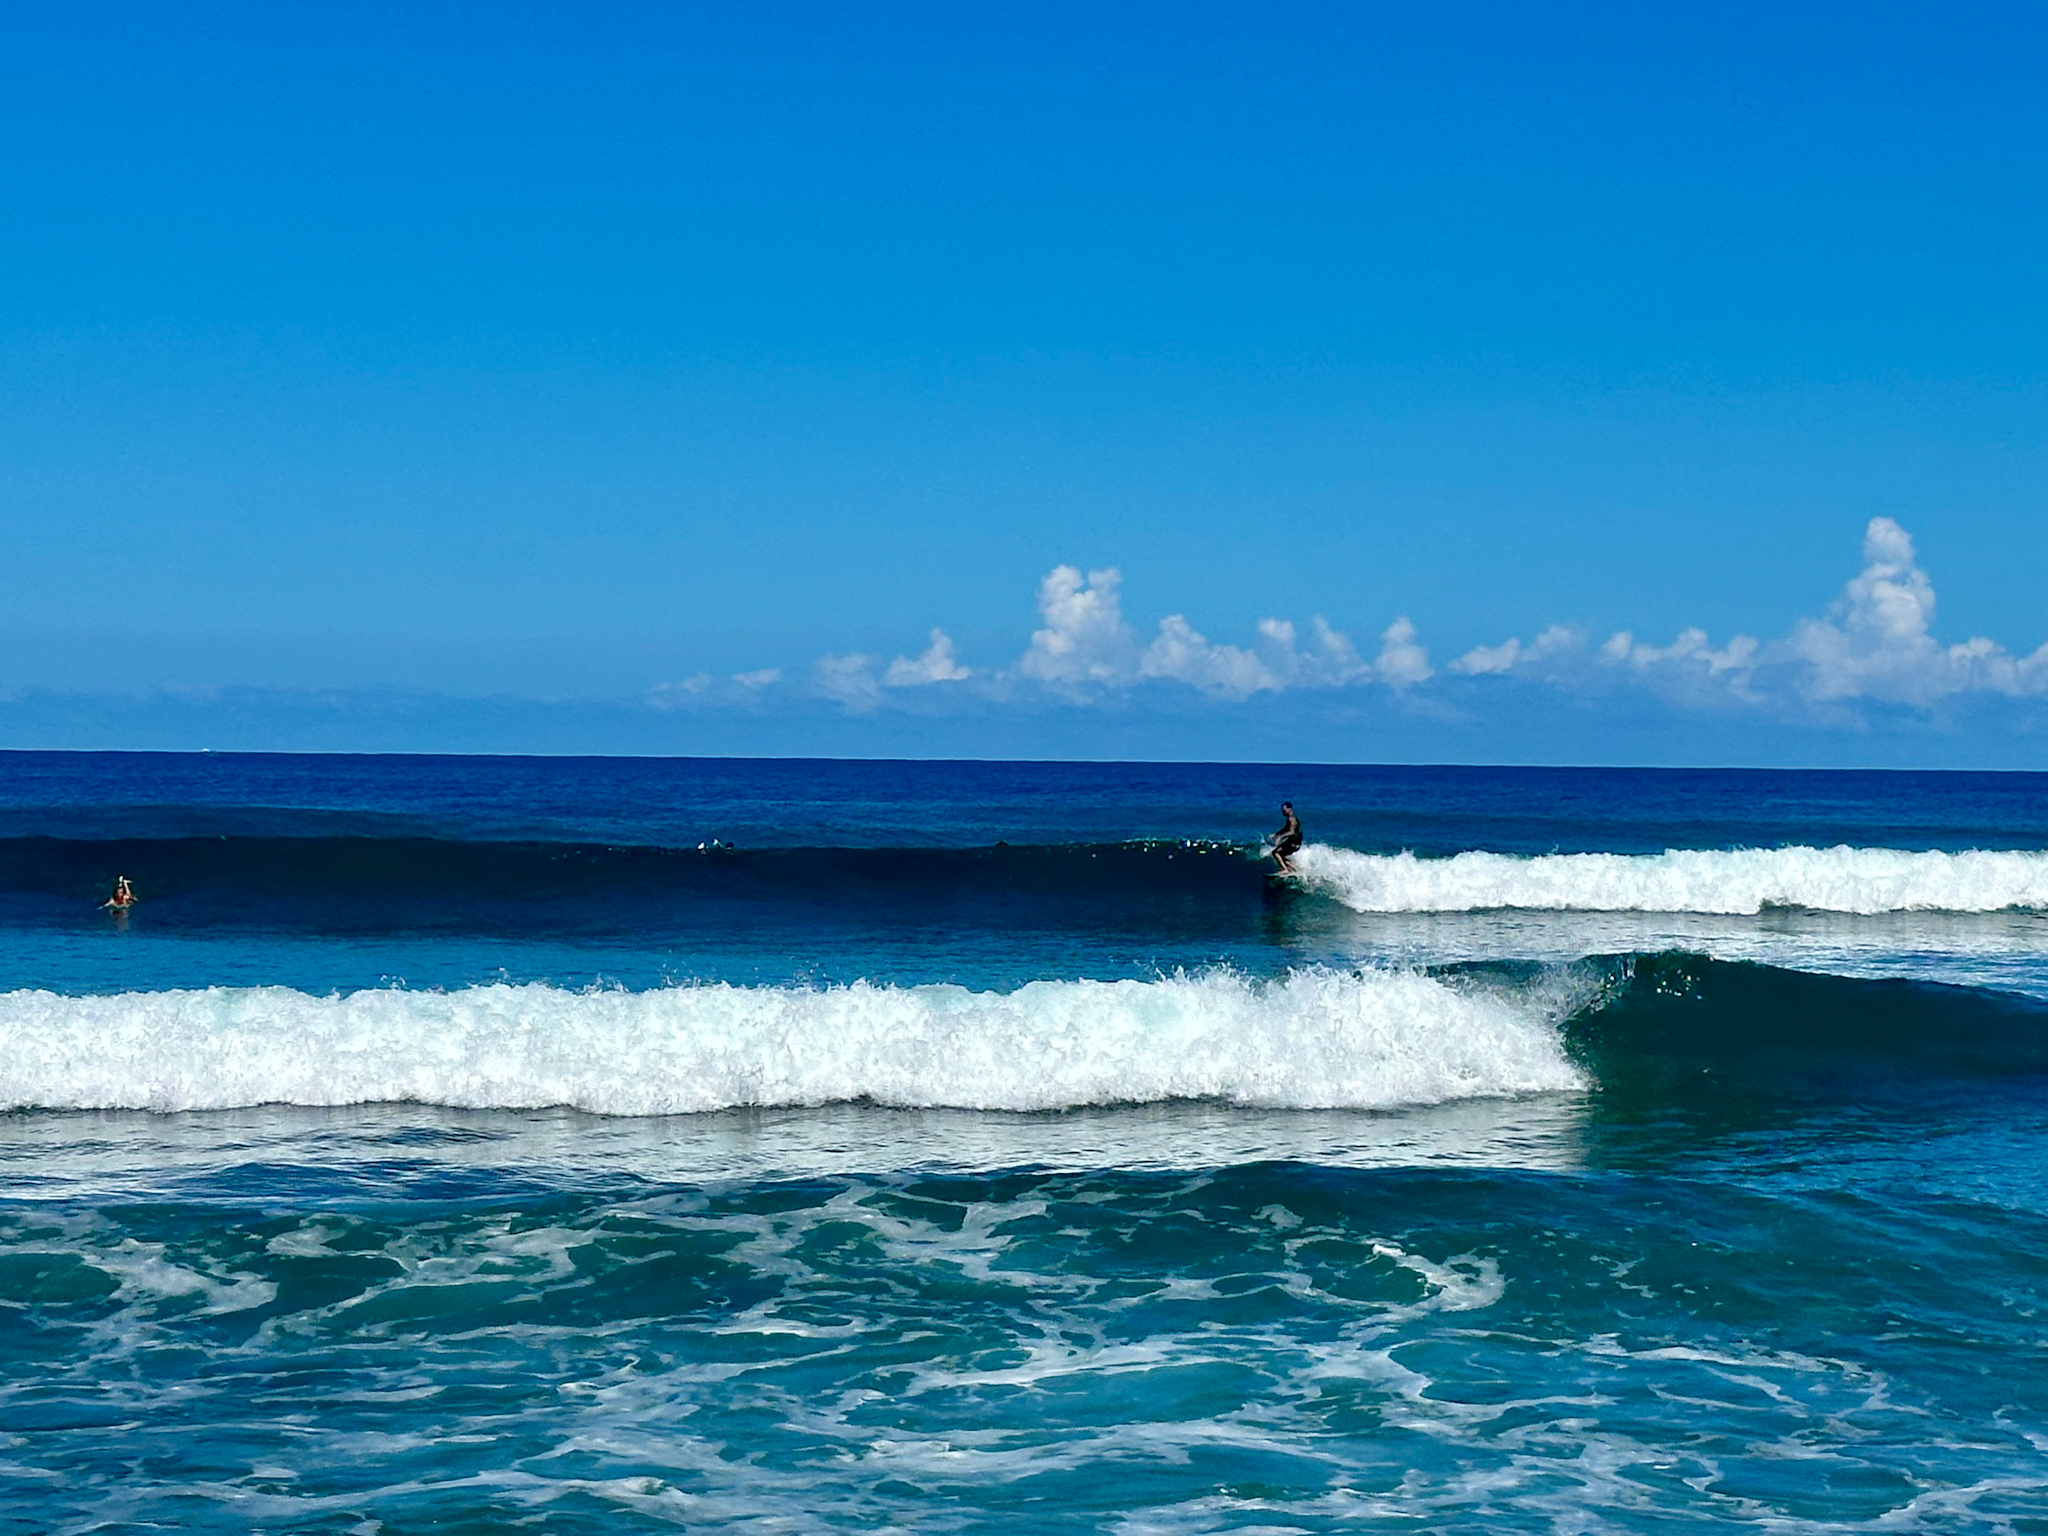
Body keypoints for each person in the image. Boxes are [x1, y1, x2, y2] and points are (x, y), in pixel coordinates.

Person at [1270, 803, 1303, 873]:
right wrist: (1276, 834)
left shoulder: (1291, 819)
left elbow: (1292, 832)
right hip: (1296, 843)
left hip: (1293, 842)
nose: (1283, 812)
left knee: (1275, 853)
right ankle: (1295, 870)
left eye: (1284, 810)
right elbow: (1285, 829)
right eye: (1282, 810)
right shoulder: (1290, 819)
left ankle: (1285, 869)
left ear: (1290, 810)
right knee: (1281, 856)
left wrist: (1280, 837)